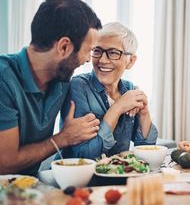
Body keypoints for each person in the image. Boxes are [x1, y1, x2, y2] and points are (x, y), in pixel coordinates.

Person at [0, 0, 102, 181]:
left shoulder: (62, 80)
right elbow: (3, 165)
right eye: (88, 50)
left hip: (27, 188)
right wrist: (63, 138)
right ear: (64, 47)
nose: (89, 59)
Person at [60, 22, 158, 159]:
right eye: (97, 51)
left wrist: (144, 113)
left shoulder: (129, 90)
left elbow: (146, 150)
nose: (102, 60)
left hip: (116, 177)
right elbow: (85, 156)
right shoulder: (78, 86)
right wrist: (117, 108)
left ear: (130, 61)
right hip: (76, 177)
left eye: (113, 53)